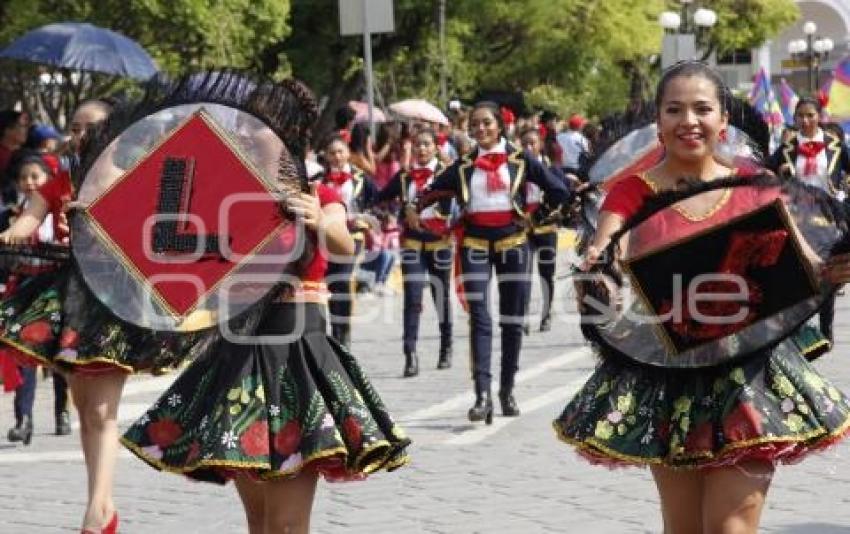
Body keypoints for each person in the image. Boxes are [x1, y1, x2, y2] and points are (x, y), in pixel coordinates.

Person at [554, 61, 850, 534]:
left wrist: (835, 268)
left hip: (750, 375)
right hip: (669, 379)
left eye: (701, 108)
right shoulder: (632, 193)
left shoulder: (755, 184)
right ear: (658, 121)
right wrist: (598, 272)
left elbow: (805, 267)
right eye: (674, 109)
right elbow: (608, 250)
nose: (688, 121)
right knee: (684, 527)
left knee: (732, 527)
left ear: (723, 121)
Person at [121, 80, 409, 534]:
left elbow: (342, 244)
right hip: (237, 359)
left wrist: (317, 220)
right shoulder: (224, 199)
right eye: (244, 123)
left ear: (290, 132)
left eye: (261, 125)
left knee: (287, 525)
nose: (247, 132)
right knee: (259, 523)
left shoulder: (321, 197)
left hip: (298, 359)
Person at [0, 98, 192, 533]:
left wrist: (101, 219)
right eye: (75, 127)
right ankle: (101, 506)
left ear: (115, 130)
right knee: (86, 406)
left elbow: (156, 237)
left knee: (103, 410)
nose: (80, 135)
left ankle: (98, 511)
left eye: (90, 127)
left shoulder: (137, 177)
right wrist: (10, 233)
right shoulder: (61, 179)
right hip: (68, 298)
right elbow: (26, 222)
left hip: (113, 299)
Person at [418, 101, 569, 423]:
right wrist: (428, 210)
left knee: (512, 320)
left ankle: (507, 389)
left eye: (487, 123)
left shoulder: (520, 158)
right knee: (480, 318)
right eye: (476, 124)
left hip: (514, 243)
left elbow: (558, 189)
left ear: (500, 125)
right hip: (474, 244)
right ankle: (482, 394)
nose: (481, 129)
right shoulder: (463, 165)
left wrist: (535, 218)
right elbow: (429, 193)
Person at [1, 150, 71, 443]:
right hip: (25, 287)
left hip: (57, 289)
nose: (29, 183)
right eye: (23, 178)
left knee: (59, 356)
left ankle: (62, 411)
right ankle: (24, 418)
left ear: (49, 179)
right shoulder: (12, 214)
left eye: (35, 177)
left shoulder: (61, 211)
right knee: (23, 351)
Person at [768, 97, 850, 344]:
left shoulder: (835, 145)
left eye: (810, 115)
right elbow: (764, 172)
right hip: (800, 216)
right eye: (800, 116)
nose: (805, 121)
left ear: (819, 117)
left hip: (830, 216)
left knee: (829, 269)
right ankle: (799, 327)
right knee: (800, 269)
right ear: (794, 119)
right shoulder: (786, 149)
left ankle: (826, 329)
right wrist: (780, 179)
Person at [377, 128, 454, 377]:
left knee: (440, 296)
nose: (422, 149)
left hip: (439, 241)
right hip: (411, 243)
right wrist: (384, 213)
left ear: (435, 148)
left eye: (426, 144)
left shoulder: (447, 173)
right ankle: (410, 354)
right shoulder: (404, 176)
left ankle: (446, 346)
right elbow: (379, 196)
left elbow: (465, 198)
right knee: (412, 298)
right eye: (418, 145)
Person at [321, 135, 377, 348]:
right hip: (326, 237)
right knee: (333, 283)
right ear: (326, 156)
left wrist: (368, 216)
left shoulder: (361, 179)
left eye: (340, 152)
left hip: (353, 236)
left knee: (343, 279)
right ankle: (335, 332)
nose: (336, 157)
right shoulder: (319, 179)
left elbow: (379, 200)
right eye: (332, 153)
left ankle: (343, 334)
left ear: (348, 154)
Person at [518, 128, 565, 332]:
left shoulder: (551, 169)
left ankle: (546, 313)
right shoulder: (517, 170)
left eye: (532, 143)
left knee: (546, 273)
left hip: (546, 227)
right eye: (525, 143)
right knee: (522, 273)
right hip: (523, 229)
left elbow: (561, 195)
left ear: (540, 145)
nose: (529, 147)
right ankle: (524, 315)